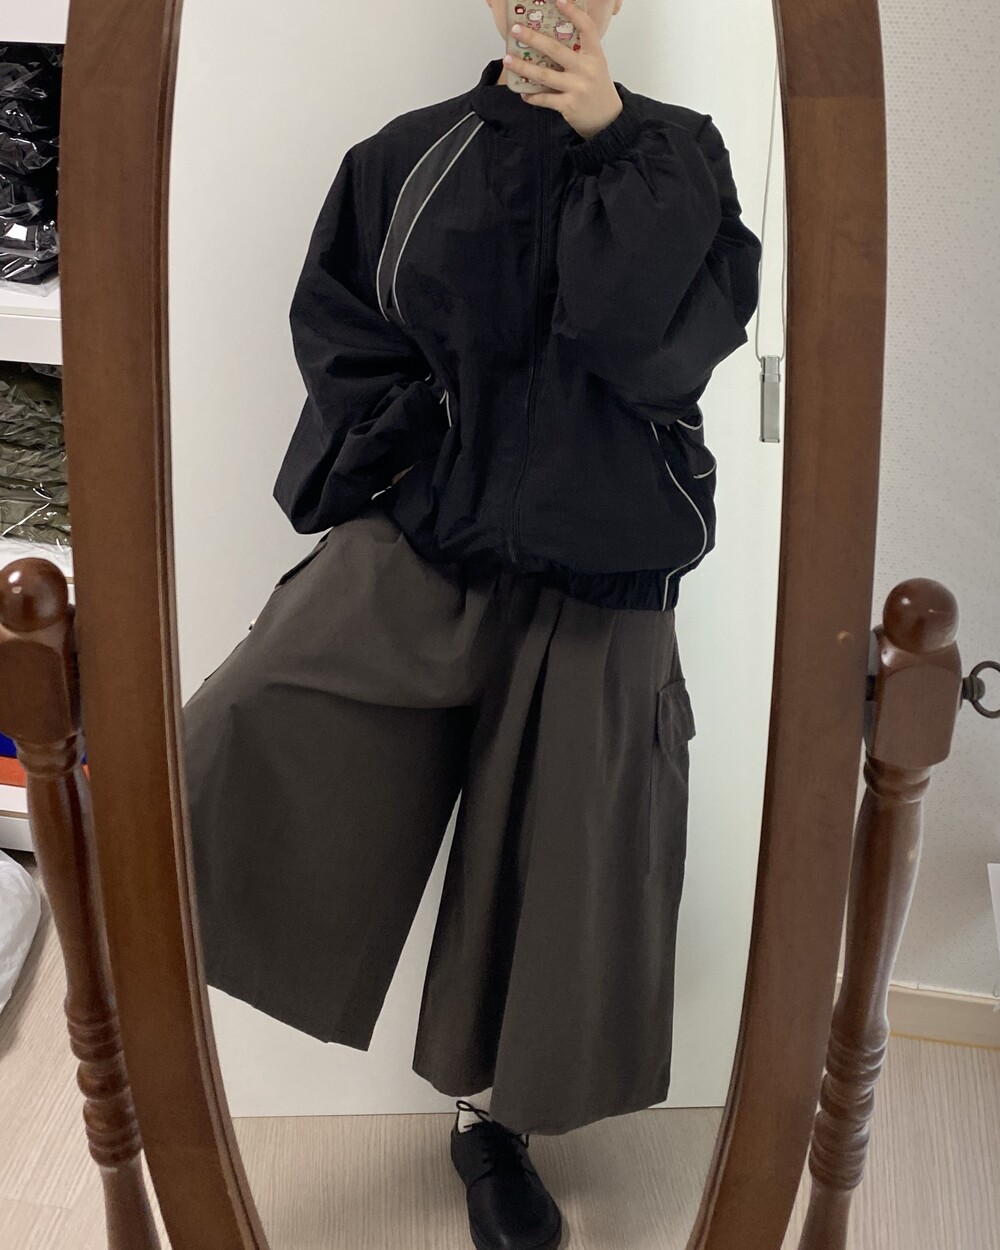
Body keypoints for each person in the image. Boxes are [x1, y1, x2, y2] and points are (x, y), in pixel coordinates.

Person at [181, 3, 762, 1248]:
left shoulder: (680, 155)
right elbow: (343, 336)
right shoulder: (404, 155)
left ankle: (490, 1126)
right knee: (235, 724)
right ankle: (140, 980)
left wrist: (610, 139)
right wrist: (428, 448)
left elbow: (647, 351)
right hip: (436, 541)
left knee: (558, 871)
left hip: (604, 568)